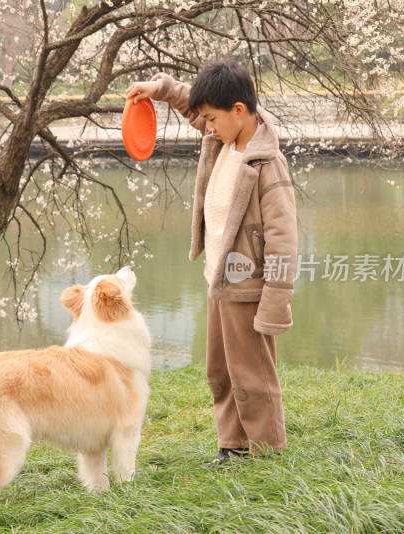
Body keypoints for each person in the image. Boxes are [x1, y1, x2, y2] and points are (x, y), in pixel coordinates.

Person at [125, 60, 297, 466]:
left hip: (248, 284)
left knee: (252, 373)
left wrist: (274, 305)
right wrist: (162, 88)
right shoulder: (224, 135)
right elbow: (194, 104)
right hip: (219, 277)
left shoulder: (266, 164)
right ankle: (232, 445)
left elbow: (284, 243)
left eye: (212, 119)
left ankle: (267, 452)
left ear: (240, 110)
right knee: (220, 371)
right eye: (206, 119)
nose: (207, 127)